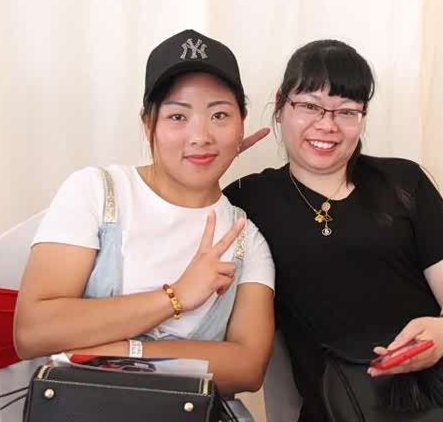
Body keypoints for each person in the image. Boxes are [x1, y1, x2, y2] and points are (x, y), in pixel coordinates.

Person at [225, 39, 443, 420]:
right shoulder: (248, 199)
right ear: (280, 106)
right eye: (310, 106)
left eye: (346, 111)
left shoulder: (403, 181)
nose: (327, 125)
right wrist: (214, 154)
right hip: (338, 403)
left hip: (441, 390)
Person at [14, 29, 275, 394]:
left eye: (219, 115)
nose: (200, 136)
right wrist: (176, 296)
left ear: (241, 122)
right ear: (148, 123)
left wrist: (122, 354)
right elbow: (32, 331)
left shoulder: (247, 239)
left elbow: (247, 367)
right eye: (177, 117)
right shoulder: (98, 191)